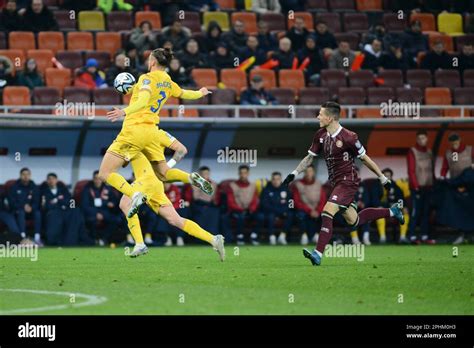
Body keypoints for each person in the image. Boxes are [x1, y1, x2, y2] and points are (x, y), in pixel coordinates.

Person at [282, 102, 405, 266]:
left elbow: (365, 158)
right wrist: (294, 173)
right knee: (354, 221)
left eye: (320, 114)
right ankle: (392, 211)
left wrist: (382, 178)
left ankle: (318, 253)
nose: (317, 117)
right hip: (336, 183)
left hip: (348, 182)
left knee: (327, 212)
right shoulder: (320, 135)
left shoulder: (349, 137)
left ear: (331, 118)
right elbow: (310, 157)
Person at [103, 47, 214, 219]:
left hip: (136, 130)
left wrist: (123, 112)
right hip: (152, 133)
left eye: (149, 59)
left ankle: (135, 195)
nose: (148, 62)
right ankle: (191, 178)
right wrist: (201, 93)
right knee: (162, 172)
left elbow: (144, 100)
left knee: (105, 173)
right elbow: (184, 93)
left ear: (153, 62)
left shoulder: (146, 78)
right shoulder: (168, 81)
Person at [118, 152, 225, 260]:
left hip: (144, 181)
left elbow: (120, 163)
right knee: (176, 220)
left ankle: (140, 243)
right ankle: (213, 239)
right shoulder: (157, 139)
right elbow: (181, 150)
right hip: (157, 183)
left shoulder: (129, 141)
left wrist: (123, 158)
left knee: (124, 203)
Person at [406, 130, 436, 244]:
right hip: (417, 187)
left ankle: (424, 235)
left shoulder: (429, 152)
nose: (421, 140)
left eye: (423, 138)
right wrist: (416, 186)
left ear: (427, 139)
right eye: (419, 138)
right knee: (415, 212)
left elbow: (431, 170)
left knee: (426, 212)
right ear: (417, 139)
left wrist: (434, 182)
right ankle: (412, 235)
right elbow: (411, 170)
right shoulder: (412, 151)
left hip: (428, 186)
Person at [41, 173, 86, 246]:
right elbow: (47, 206)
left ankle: (74, 240)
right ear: (47, 181)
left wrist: (57, 201)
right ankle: (54, 241)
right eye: (49, 179)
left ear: (56, 180)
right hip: (53, 212)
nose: (51, 181)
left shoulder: (63, 190)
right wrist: (60, 202)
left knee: (76, 211)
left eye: (53, 179)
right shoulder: (44, 191)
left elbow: (71, 202)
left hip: (66, 211)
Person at [81, 170, 122, 245]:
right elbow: (84, 205)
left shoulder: (108, 189)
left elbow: (115, 202)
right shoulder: (87, 190)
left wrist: (111, 203)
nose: (97, 180)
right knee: (90, 221)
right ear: (93, 179)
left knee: (117, 220)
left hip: (105, 212)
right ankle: (94, 240)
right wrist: (96, 213)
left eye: (99, 178)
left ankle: (103, 238)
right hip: (92, 213)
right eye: (95, 178)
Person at [370, 168, 410, 244]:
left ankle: (402, 237)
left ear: (391, 177)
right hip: (381, 209)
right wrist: (378, 206)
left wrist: (402, 207)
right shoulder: (376, 185)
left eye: (389, 176)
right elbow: (374, 199)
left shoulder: (394, 185)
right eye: (385, 176)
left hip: (393, 209)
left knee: (405, 213)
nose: (387, 178)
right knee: (379, 213)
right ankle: (382, 238)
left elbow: (401, 198)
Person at [291, 166, 326, 246]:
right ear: (304, 173)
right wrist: (310, 211)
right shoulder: (298, 184)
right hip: (304, 210)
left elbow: (323, 199)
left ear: (313, 173)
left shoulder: (318, 183)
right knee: (300, 215)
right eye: (306, 171)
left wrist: (317, 210)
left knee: (325, 215)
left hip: (317, 210)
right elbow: (297, 202)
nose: (308, 173)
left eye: (310, 171)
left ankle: (318, 236)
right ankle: (304, 236)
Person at [226, 165, 261, 245]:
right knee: (240, 217)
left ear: (248, 174)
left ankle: (254, 236)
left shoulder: (253, 185)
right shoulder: (232, 185)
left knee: (260, 216)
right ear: (239, 173)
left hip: (249, 210)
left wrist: (251, 209)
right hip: (236, 210)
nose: (243, 175)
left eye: (245, 173)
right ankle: (240, 237)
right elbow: (230, 202)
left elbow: (255, 200)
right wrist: (241, 210)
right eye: (241, 173)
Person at [7, 168, 43, 246]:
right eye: (23, 174)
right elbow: (12, 203)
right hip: (18, 211)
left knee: (37, 213)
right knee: (21, 213)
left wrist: (31, 207)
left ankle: (37, 238)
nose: (26, 176)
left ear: (30, 175)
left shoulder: (34, 187)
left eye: (27, 174)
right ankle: (22, 238)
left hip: (31, 211)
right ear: (20, 175)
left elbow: (37, 202)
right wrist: (23, 206)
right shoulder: (14, 187)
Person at [259, 172, 294, 245]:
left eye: (278, 179)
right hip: (271, 212)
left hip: (283, 211)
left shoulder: (286, 189)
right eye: (274, 179)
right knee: (270, 216)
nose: (276, 181)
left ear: (281, 180)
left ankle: (282, 236)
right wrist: (277, 211)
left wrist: (284, 210)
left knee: (290, 214)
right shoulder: (266, 189)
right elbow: (264, 204)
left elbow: (291, 203)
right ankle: (272, 237)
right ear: (271, 180)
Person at [186, 166, 220, 237]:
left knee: (215, 212)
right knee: (200, 212)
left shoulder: (214, 184)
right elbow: (188, 198)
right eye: (203, 174)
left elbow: (216, 198)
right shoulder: (192, 184)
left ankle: (212, 236)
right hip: (197, 205)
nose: (205, 175)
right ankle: (199, 238)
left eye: (207, 174)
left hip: (210, 205)